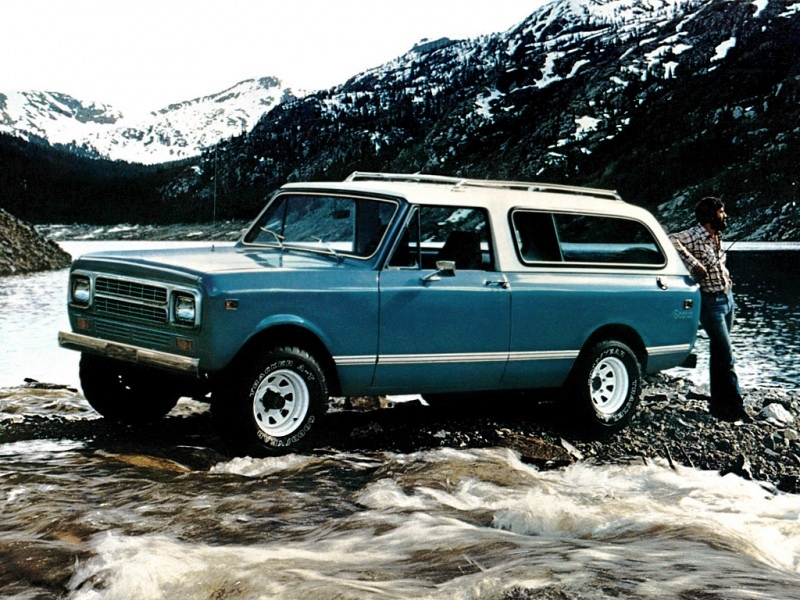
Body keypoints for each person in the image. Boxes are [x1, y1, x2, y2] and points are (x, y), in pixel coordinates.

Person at [669, 197, 749, 422]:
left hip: (728, 299)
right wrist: (694, 264)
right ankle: (736, 408)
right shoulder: (694, 234)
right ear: (710, 216)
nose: (725, 216)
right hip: (710, 304)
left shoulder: (717, 236)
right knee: (727, 355)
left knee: (719, 355)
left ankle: (719, 405)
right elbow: (670, 240)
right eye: (722, 212)